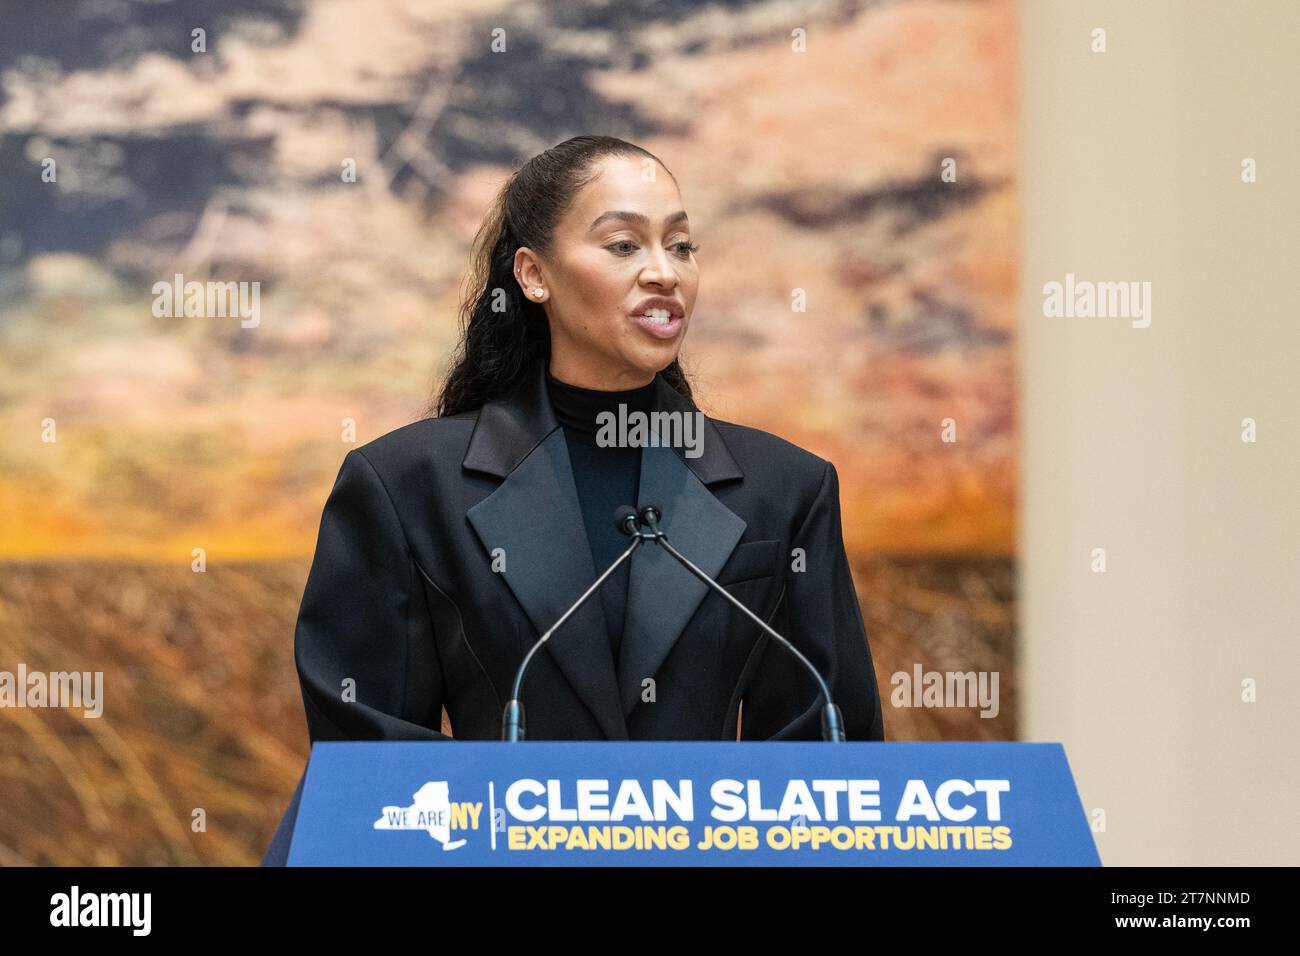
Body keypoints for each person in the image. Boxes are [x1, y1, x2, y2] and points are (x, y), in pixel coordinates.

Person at [264, 134, 884, 863]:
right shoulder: (405, 485)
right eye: (623, 245)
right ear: (533, 274)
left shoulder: (786, 487)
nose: (663, 273)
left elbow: (831, 768)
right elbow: (371, 759)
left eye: (681, 247)